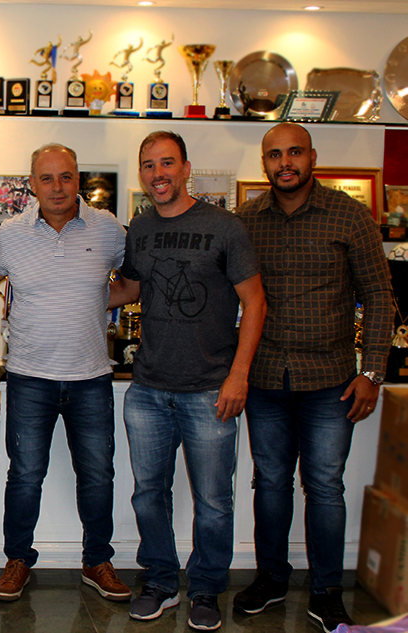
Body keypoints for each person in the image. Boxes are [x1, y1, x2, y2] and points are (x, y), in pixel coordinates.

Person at [232, 123, 393, 632]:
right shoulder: (246, 220)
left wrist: (372, 372)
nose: (285, 163)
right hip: (265, 378)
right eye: (274, 155)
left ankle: (326, 591)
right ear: (264, 163)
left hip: (330, 380)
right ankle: (271, 579)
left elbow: (381, 297)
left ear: (312, 157)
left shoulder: (350, 214)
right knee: (270, 482)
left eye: (294, 152)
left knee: (324, 486)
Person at [110, 131, 266, 631]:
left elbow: (255, 303)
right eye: (149, 165)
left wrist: (238, 375)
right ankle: (160, 582)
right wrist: (61, 292)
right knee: (148, 494)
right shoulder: (139, 227)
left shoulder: (224, 227)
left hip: (210, 389)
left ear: (185, 168)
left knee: (214, 502)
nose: (158, 174)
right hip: (148, 389)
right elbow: (130, 289)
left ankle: (205, 589)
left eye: (167, 163)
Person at [0, 143, 132, 603]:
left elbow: (131, 286)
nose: (57, 187)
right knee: (25, 475)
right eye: (46, 178)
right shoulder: (9, 235)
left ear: (78, 179)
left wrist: (88, 301)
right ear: (32, 185)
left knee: (98, 475)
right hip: (28, 378)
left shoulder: (109, 229)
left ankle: (97, 560)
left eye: (66, 177)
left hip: (91, 378)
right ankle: (18, 560)